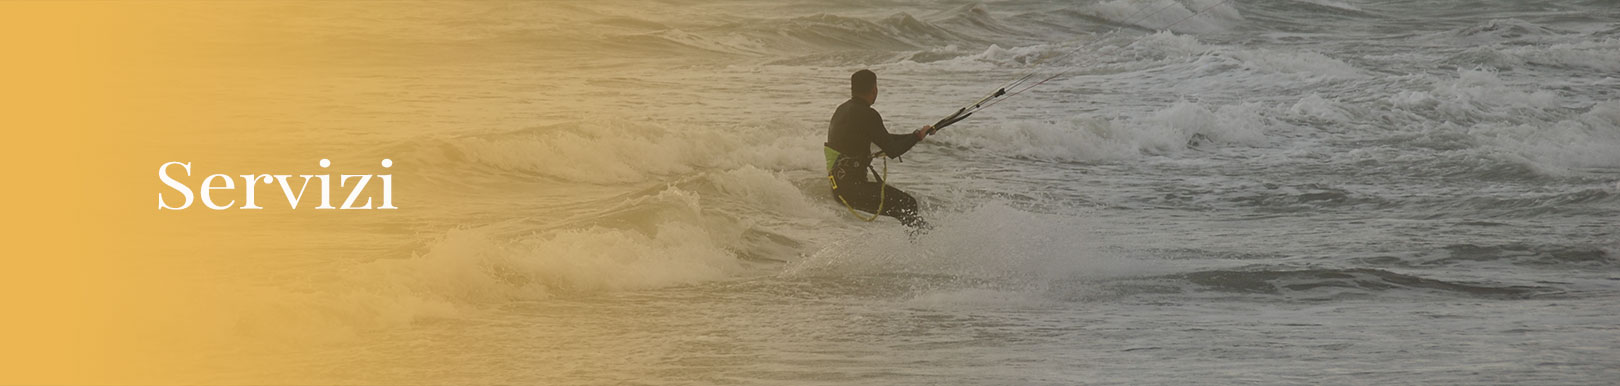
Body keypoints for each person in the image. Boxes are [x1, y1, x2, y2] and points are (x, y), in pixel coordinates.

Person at [824, 69, 933, 230]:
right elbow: (893, 150)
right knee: (908, 204)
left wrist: (917, 134)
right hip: (853, 189)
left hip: (839, 189)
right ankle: (924, 245)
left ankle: (918, 244)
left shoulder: (842, 110)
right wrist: (917, 136)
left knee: (902, 211)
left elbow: (884, 138)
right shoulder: (868, 114)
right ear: (874, 89)